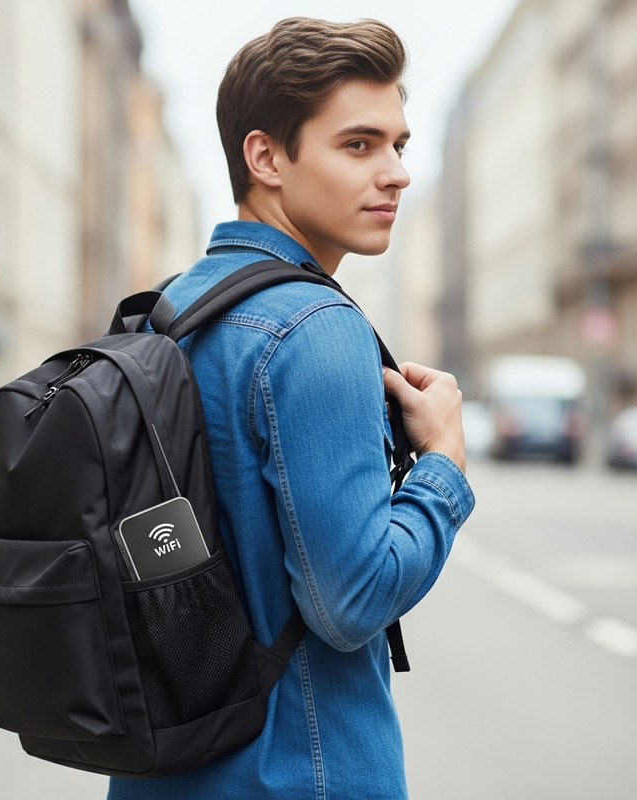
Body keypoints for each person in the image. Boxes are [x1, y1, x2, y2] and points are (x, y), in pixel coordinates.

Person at [107, 17, 475, 800]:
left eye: (399, 146)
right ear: (266, 156)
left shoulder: (166, 312)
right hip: (303, 774)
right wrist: (441, 463)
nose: (397, 173)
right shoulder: (315, 330)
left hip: (165, 773)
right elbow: (351, 601)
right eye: (359, 145)